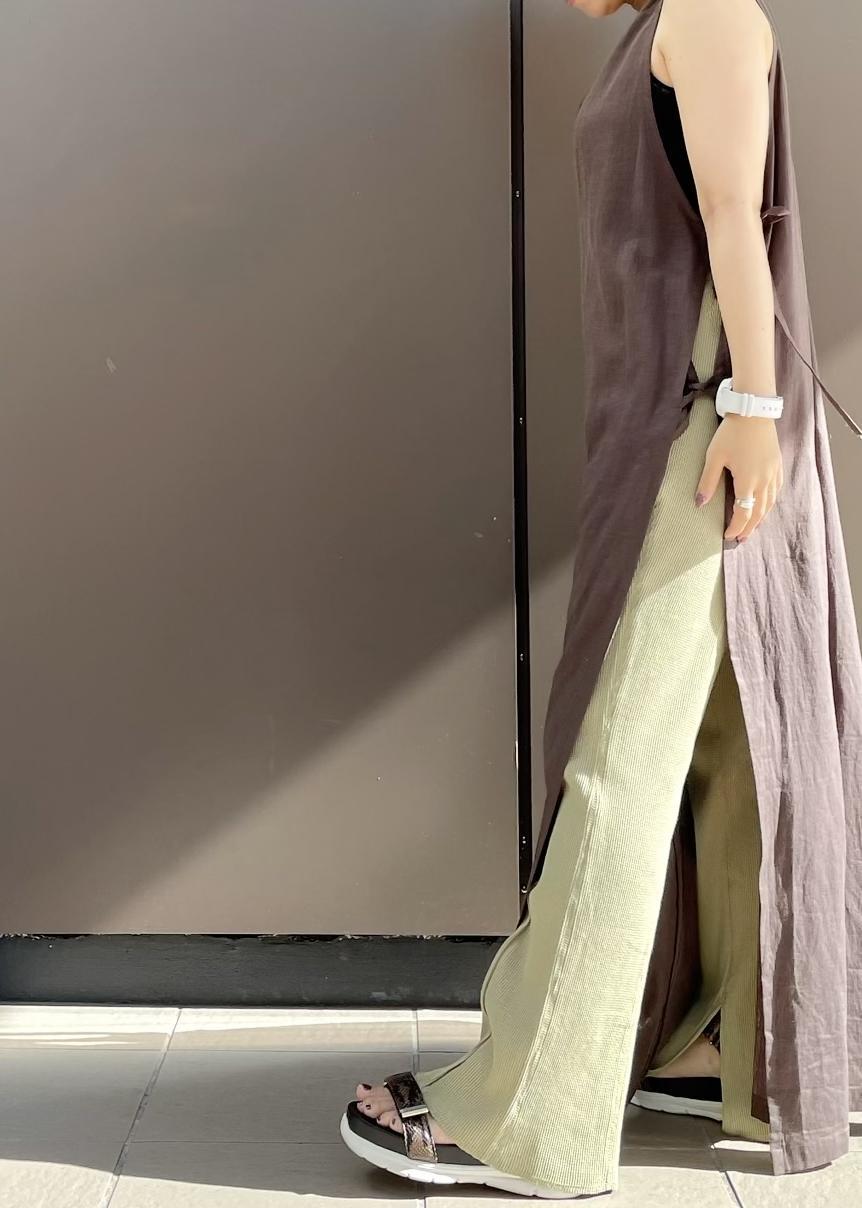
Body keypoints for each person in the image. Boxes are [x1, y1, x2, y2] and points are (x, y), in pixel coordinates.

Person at [339, 0, 862, 1197]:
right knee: (728, 749)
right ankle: (709, 1042)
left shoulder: (710, 12)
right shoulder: (651, 25)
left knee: (617, 760)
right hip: (669, 428)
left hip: (704, 433)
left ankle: (528, 1117)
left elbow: (732, 214)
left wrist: (751, 410)